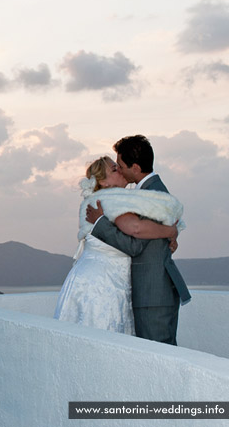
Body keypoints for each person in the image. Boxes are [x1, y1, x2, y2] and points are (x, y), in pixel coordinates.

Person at [54, 156, 183, 335]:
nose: (120, 170)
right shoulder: (110, 200)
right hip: (102, 284)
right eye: (114, 169)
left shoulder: (107, 200)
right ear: (103, 182)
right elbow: (135, 234)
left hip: (95, 278)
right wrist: (170, 232)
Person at [86, 135, 191, 345]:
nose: (120, 169)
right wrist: (171, 233)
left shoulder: (151, 193)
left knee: (160, 355)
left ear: (134, 167)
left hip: (154, 294)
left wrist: (101, 224)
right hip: (153, 292)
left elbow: (135, 240)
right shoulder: (147, 191)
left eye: (121, 165)